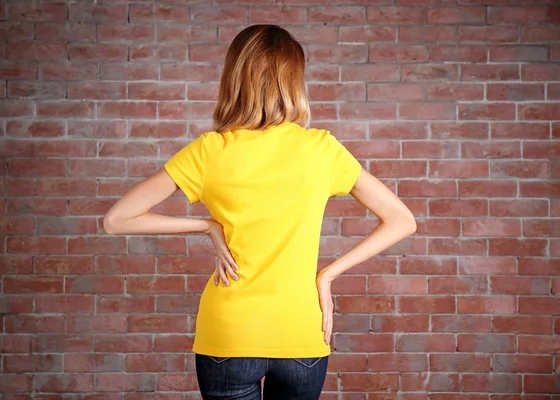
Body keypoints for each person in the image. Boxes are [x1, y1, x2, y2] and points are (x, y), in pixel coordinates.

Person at [104, 24, 416, 400]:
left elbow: (116, 219)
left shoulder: (209, 151)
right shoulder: (322, 149)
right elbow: (402, 219)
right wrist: (327, 276)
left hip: (230, 336)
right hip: (301, 333)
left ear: (234, 78)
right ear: (293, 81)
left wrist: (207, 225)